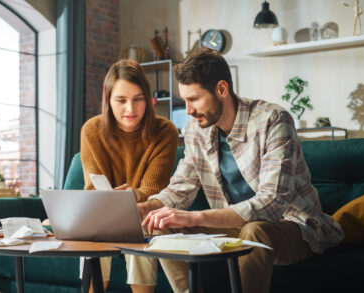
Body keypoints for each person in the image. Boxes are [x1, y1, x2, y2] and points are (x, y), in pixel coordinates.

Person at [139, 47, 344, 293]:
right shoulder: (196, 132)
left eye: (194, 99)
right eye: (185, 101)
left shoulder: (273, 120)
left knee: (254, 230)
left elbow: (271, 203)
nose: (189, 110)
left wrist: (196, 216)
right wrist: (144, 208)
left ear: (222, 89)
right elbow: (179, 189)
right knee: (160, 223)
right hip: (234, 227)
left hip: (293, 227)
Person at [80, 59, 179, 293]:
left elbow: (153, 192)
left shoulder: (165, 131)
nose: (130, 109)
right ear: (108, 101)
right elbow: (93, 192)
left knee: (140, 225)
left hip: (145, 214)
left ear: (148, 98)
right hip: (102, 215)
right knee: (95, 229)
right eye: (121, 100)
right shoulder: (91, 130)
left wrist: (131, 196)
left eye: (138, 99)